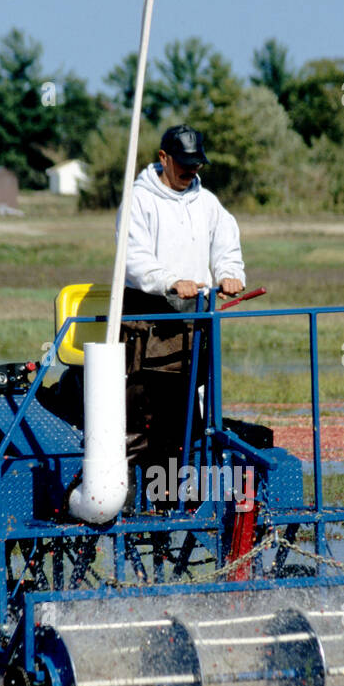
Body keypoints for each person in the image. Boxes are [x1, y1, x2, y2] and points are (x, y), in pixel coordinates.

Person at [117, 125, 246, 474]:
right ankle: (128, 496)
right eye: (184, 164)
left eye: (196, 165)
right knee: (139, 418)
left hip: (191, 325)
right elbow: (133, 259)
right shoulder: (138, 200)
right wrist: (170, 281)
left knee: (184, 417)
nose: (191, 171)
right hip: (145, 324)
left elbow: (226, 245)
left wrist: (229, 274)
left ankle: (175, 497)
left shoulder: (207, 203)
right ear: (163, 158)